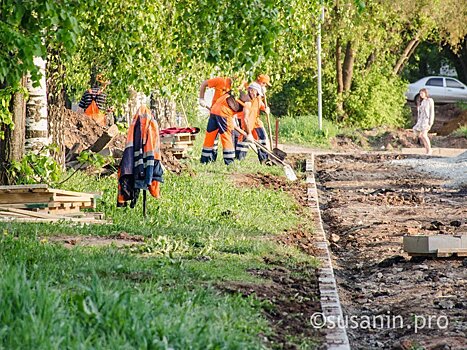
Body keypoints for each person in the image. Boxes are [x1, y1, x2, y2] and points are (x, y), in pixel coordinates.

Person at [200, 89, 243, 165]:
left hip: (215, 110)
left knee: (210, 135)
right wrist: (248, 133)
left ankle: (205, 160)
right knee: (227, 136)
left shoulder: (234, 90)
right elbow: (246, 118)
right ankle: (229, 162)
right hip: (224, 112)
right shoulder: (249, 100)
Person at [235, 82, 269, 163]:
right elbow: (245, 117)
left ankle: (264, 159)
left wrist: (265, 108)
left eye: (257, 93)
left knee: (262, 138)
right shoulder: (245, 99)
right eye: (254, 92)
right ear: (250, 90)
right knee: (244, 141)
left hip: (255, 121)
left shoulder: (257, 97)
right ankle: (239, 160)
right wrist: (249, 133)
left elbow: (260, 104)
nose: (255, 94)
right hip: (246, 122)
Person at [413, 88, 435, 155]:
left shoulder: (430, 100)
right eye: (420, 93)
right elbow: (420, 114)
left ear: (425, 93)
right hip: (421, 121)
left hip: (426, 120)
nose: (421, 95)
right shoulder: (421, 102)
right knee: (421, 136)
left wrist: (431, 122)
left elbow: (431, 111)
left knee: (424, 135)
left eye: (422, 93)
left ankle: (430, 150)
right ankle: (427, 150)